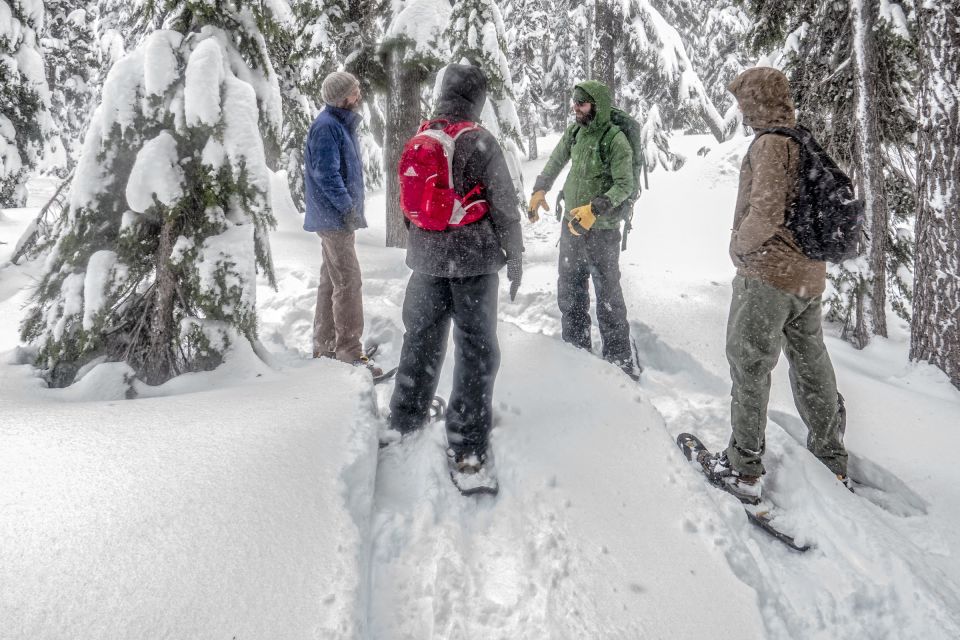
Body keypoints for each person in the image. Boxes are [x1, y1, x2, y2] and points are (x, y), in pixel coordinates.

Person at [702, 67, 849, 502]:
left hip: (769, 275)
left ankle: (743, 468)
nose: (741, 110)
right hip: (808, 276)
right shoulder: (801, 139)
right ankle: (831, 460)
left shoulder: (769, 145)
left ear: (756, 102)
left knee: (749, 364)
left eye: (744, 101)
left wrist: (738, 248)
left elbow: (764, 213)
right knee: (810, 361)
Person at [388, 64, 524, 482]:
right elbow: (503, 205)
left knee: (422, 338)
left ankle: (405, 417)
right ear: (476, 99)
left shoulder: (421, 137)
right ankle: (466, 445)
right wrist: (514, 255)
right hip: (474, 265)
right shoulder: (480, 142)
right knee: (477, 350)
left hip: (427, 264)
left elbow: (410, 205)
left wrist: (426, 244)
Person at [528, 81, 640, 380]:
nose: (575, 107)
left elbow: (625, 185)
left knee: (607, 294)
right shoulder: (575, 132)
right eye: (574, 101)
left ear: (597, 105)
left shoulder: (614, 139)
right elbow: (556, 160)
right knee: (570, 288)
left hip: (601, 230)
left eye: (582, 103)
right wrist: (540, 188)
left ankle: (620, 359)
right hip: (571, 227)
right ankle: (575, 349)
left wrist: (596, 208)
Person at [303, 71, 379, 374]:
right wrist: (347, 208)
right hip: (334, 218)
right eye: (353, 91)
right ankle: (349, 351)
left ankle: (325, 345)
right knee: (348, 282)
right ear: (340, 97)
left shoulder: (337, 124)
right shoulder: (327, 127)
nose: (358, 95)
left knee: (331, 280)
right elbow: (326, 174)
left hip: (335, 216)